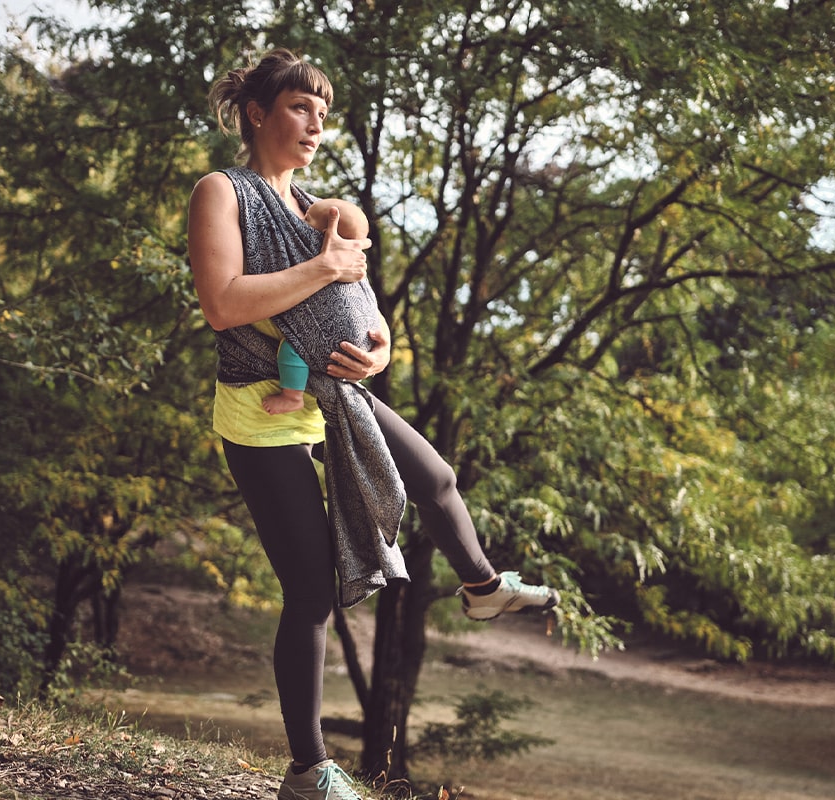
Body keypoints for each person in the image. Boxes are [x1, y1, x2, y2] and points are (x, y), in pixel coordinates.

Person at [186, 48, 560, 800]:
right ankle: (309, 771)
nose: (315, 124)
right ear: (259, 112)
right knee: (310, 592)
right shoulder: (221, 191)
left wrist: (379, 344)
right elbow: (224, 304)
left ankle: (483, 587)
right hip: (263, 413)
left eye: (323, 114)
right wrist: (327, 270)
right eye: (300, 107)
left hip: (334, 395)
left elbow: (366, 314)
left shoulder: (316, 209)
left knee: (436, 477)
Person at [263, 198, 370, 415]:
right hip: (362, 341)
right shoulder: (353, 267)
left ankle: (291, 396)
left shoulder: (312, 255)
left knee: (292, 347)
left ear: (323, 234)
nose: (301, 221)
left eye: (308, 220)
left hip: (338, 341)